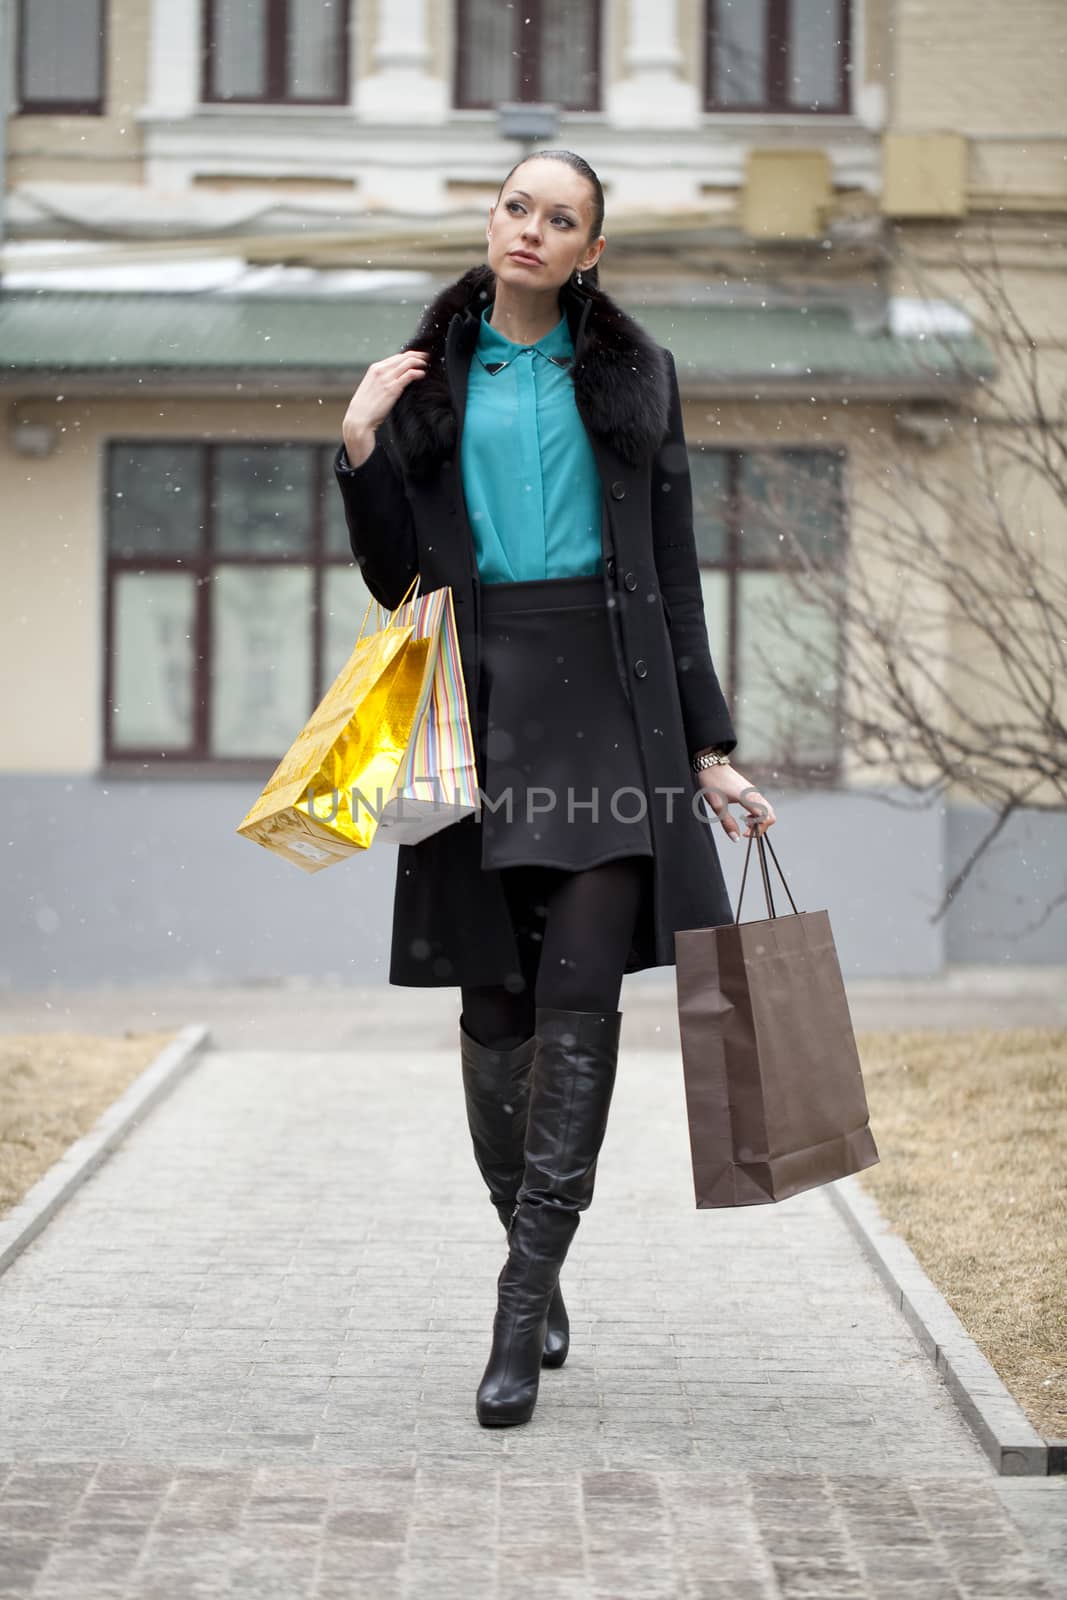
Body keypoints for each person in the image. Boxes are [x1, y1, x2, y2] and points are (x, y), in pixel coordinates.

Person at [334, 149, 777, 1428]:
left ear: (592, 251)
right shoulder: (425, 381)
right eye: (516, 207)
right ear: (491, 222)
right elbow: (396, 582)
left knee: (580, 995)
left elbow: (675, 570)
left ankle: (516, 1310)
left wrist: (707, 745)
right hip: (473, 714)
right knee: (496, 1011)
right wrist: (359, 443)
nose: (531, 230)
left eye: (561, 218)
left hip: (613, 713)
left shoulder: (636, 379)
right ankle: (538, 1247)